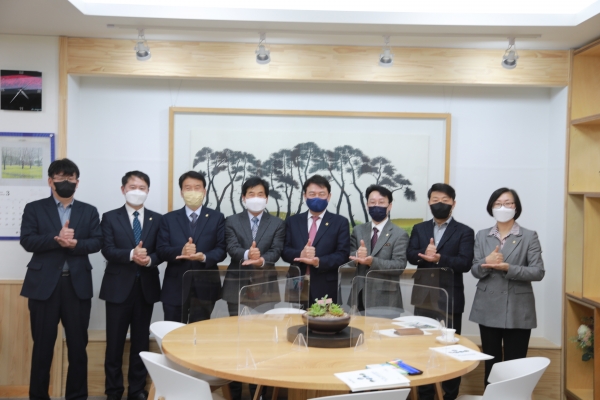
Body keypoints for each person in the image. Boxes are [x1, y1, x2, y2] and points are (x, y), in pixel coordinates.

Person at [20, 158, 103, 400]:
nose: (66, 182)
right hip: (43, 286)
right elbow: (27, 240)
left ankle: (76, 396)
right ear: (50, 181)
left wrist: (75, 244)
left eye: (70, 178)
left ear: (77, 182)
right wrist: (55, 238)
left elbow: (97, 242)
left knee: (78, 347)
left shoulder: (89, 210)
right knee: (42, 347)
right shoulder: (34, 208)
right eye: (60, 178)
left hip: (77, 286)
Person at [469, 188, 545, 386]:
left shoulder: (529, 236)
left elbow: (538, 272)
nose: (503, 207)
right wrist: (486, 261)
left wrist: (508, 268)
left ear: (516, 207)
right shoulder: (482, 235)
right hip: (487, 306)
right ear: (491, 207)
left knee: (515, 366)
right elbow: (475, 270)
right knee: (491, 364)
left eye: (508, 203)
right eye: (498, 203)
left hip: (518, 309)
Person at [406, 183, 474, 400]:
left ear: (453, 203)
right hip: (423, 296)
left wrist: (439, 258)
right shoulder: (419, 228)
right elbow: (410, 255)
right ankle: (425, 394)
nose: (440, 204)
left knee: (450, 349)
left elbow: (465, 263)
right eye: (435, 200)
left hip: (450, 298)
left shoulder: (464, 231)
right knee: (422, 347)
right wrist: (423, 254)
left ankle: (449, 395)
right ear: (429, 203)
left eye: (445, 200)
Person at [99, 171, 162, 400]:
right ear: (123, 189)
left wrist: (149, 259)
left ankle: (137, 390)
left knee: (141, 343)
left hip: (145, 288)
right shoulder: (109, 217)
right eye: (132, 187)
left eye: (142, 187)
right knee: (115, 343)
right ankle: (113, 391)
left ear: (148, 191)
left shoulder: (157, 219)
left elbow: (161, 251)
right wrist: (130, 255)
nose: (137, 191)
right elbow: (107, 249)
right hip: (117, 288)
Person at [223, 176, 285, 400]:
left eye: (260, 194)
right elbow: (231, 247)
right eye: (251, 194)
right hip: (236, 288)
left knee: (263, 343)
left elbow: (277, 250)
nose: (256, 198)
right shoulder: (231, 221)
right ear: (243, 198)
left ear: (267, 198)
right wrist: (248, 254)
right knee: (237, 341)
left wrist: (261, 260)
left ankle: (260, 393)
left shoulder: (277, 223)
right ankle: (236, 393)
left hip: (265, 288)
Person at [157, 171, 226, 323]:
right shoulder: (168, 219)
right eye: (188, 188)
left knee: (199, 332)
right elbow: (161, 250)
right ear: (181, 192)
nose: (193, 191)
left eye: (197, 187)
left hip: (206, 286)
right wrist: (180, 251)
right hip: (175, 286)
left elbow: (221, 249)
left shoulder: (217, 218)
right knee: (173, 330)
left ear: (204, 191)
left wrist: (204, 257)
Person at [282, 174, 350, 304]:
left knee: (325, 317)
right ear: (305, 196)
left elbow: (343, 254)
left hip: (326, 286)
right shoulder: (293, 221)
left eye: (321, 194)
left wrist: (318, 261)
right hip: (296, 285)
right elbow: (284, 251)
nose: (317, 198)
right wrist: (300, 254)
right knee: (295, 317)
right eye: (312, 194)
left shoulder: (340, 222)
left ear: (329, 196)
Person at [349, 184, 409, 313]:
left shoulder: (399, 234)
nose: (376, 206)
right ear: (367, 205)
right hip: (359, 295)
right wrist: (357, 255)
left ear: (389, 206)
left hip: (386, 299)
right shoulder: (358, 230)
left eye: (381, 202)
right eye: (372, 202)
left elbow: (399, 266)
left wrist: (372, 262)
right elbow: (348, 257)